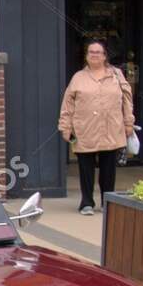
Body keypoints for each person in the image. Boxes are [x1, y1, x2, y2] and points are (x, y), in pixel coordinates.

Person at [58, 40, 135, 215]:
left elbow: (127, 100)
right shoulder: (78, 77)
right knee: (86, 168)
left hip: (111, 129)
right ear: (86, 56)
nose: (94, 55)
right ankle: (86, 202)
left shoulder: (116, 75)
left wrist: (128, 122)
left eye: (97, 52)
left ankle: (108, 202)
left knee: (108, 169)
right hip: (85, 129)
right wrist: (65, 126)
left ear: (105, 56)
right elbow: (67, 104)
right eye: (90, 52)